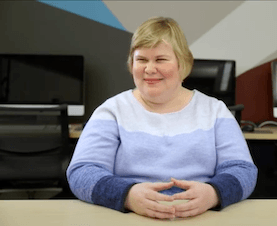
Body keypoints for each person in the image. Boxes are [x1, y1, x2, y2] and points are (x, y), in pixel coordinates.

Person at [66, 16, 257, 219]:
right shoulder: (111, 111)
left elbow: (243, 170)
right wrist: (127, 195)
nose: (149, 69)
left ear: (182, 64)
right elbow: (82, 172)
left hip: (202, 217)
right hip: (129, 217)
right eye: (141, 60)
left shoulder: (215, 111)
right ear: (131, 65)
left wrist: (214, 193)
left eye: (160, 59)